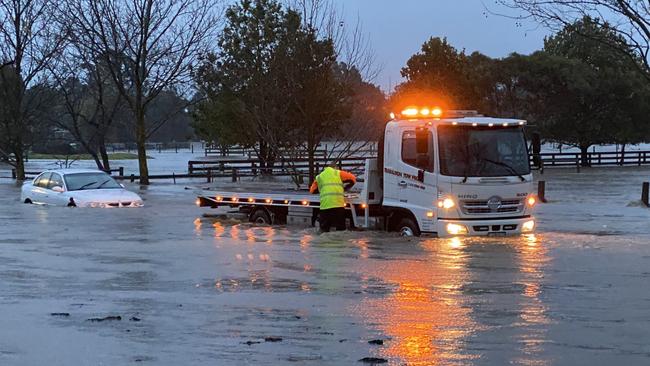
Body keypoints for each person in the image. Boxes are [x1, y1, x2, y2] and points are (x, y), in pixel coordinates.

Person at [309, 163, 357, 232]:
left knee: (324, 230)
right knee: (340, 230)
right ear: (335, 168)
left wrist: (322, 189)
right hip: (338, 205)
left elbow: (312, 191)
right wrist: (346, 188)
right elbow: (353, 178)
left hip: (325, 206)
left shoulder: (319, 177)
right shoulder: (338, 173)